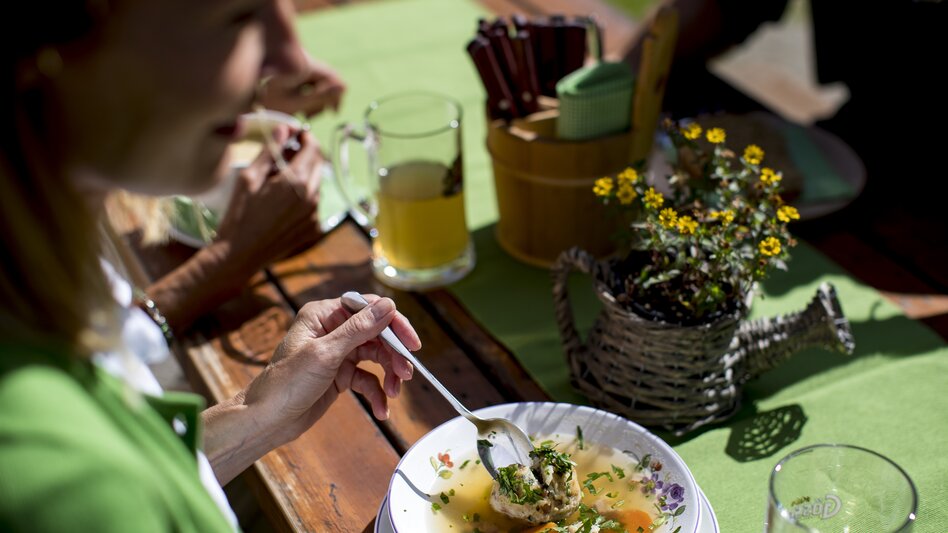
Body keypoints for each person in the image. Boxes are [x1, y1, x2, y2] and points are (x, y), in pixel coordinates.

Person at [0, 0, 418, 530]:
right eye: (240, 14)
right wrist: (227, 261)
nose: (291, 60)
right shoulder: (72, 489)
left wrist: (256, 414)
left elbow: (149, 474)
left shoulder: (40, 293)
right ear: (48, 50)